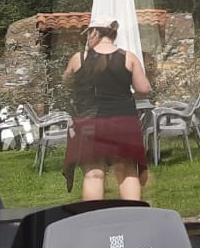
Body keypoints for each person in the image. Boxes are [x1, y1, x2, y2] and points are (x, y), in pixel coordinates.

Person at [61, 19, 152, 201]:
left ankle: (95, 219)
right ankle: (133, 217)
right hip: (123, 122)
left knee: (93, 173)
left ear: (94, 32)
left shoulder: (79, 58)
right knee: (126, 171)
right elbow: (144, 89)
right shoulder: (128, 57)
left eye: (88, 33)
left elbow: (66, 82)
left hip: (91, 122)